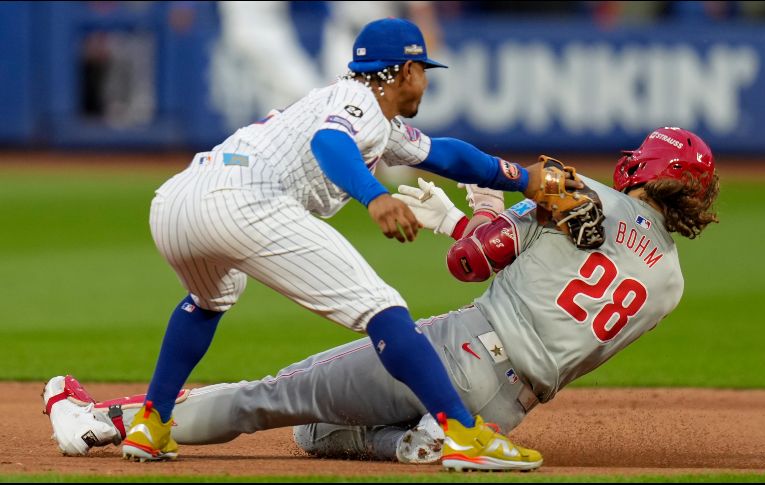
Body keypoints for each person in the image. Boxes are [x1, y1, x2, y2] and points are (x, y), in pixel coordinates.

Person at [43, 127, 719, 467]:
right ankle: (416, 440)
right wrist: (477, 223)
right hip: (511, 404)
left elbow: (470, 260)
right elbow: (564, 300)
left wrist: (473, 215)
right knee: (313, 433)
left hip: (456, 347)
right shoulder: (671, 285)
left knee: (273, 395)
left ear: (644, 166)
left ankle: (104, 420)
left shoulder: (583, 195)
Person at [100, 16, 585, 471]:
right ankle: (462, 433)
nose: (426, 82)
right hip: (244, 202)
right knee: (383, 307)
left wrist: (522, 178)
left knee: (209, 300)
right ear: (408, 71)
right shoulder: (358, 107)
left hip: (175, 202)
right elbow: (330, 144)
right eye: (424, 72)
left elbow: (444, 155)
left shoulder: (367, 113)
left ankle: (151, 423)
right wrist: (375, 197)